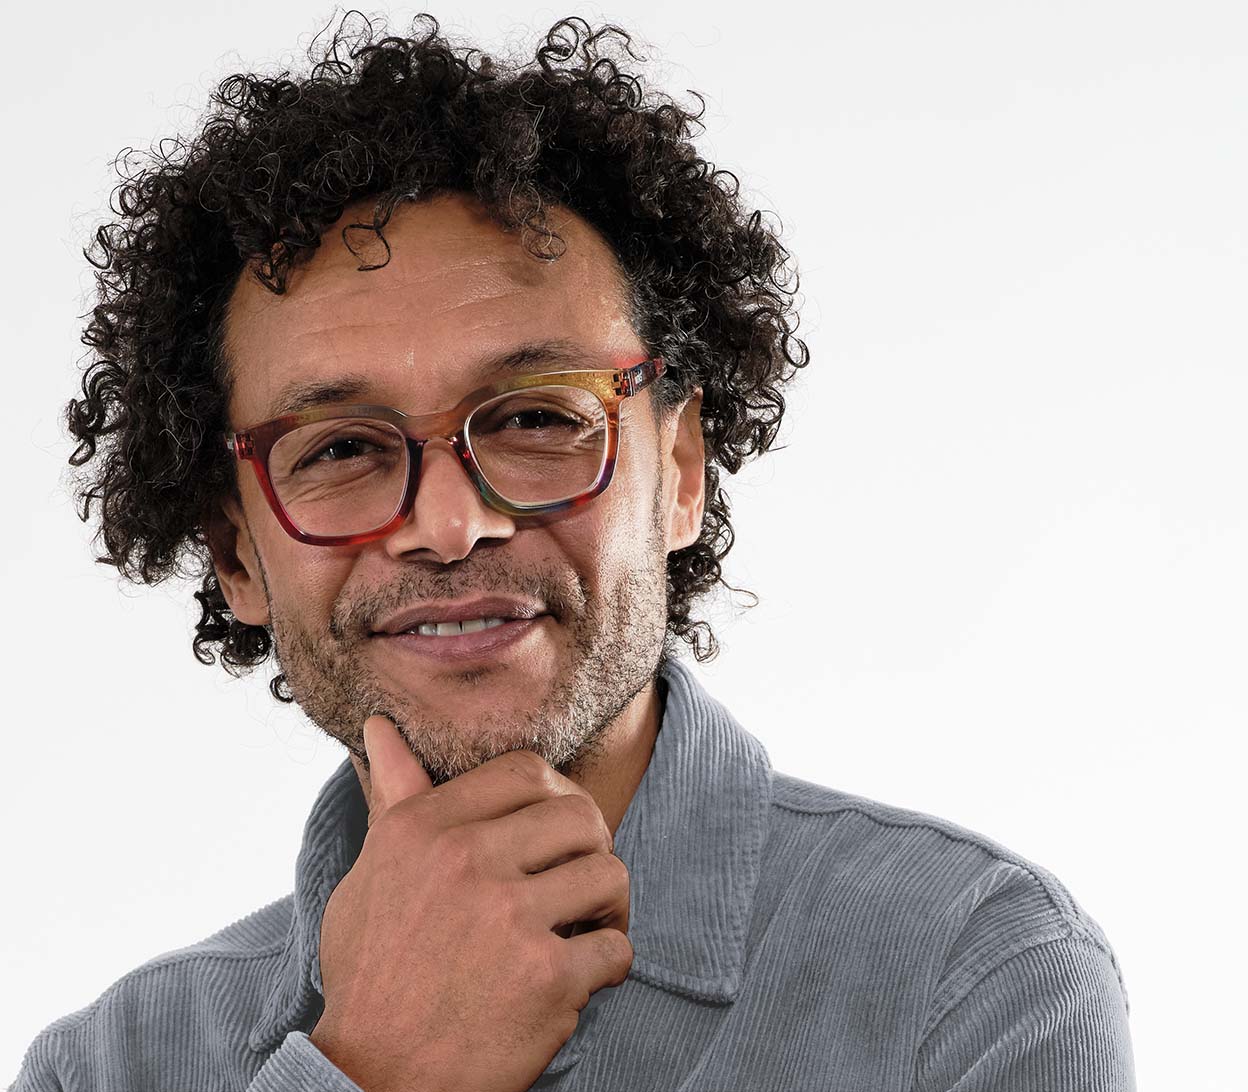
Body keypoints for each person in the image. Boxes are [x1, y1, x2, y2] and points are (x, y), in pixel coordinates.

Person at [10, 13, 1135, 1092]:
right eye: (341, 448)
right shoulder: (105, 1070)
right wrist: (372, 1070)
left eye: (537, 419)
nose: (449, 525)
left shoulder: (971, 975)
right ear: (235, 552)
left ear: (680, 472)